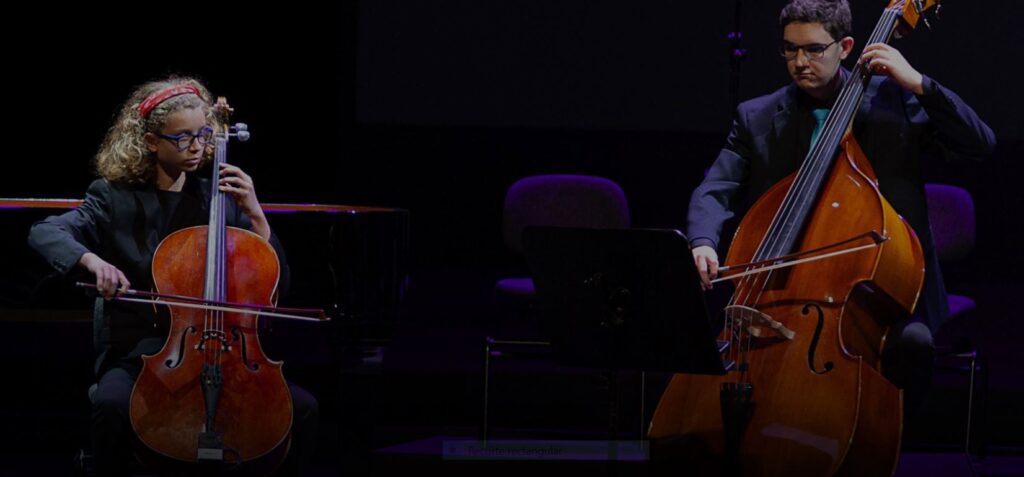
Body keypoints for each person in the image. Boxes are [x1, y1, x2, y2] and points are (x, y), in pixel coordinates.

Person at [686, 0, 995, 413]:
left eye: (814, 49)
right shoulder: (757, 116)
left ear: (846, 46)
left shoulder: (897, 103)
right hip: (787, 289)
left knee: (913, 346)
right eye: (790, 49)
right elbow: (716, 187)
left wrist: (920, 83)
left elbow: (980, 144)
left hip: (885, 290)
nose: (800, 61)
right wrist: (703, 241)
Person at [28, 76, 318, 476]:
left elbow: (274, 284)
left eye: (202, 134)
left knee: (301, 411)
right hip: (141, 354)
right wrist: (93, 262)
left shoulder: (221, 200)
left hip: (228, 356)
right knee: (111, 407)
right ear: (150, 142)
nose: (197, 147)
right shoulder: (113, 197)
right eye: (182, 138)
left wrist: (255, 214)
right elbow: (46, 231)